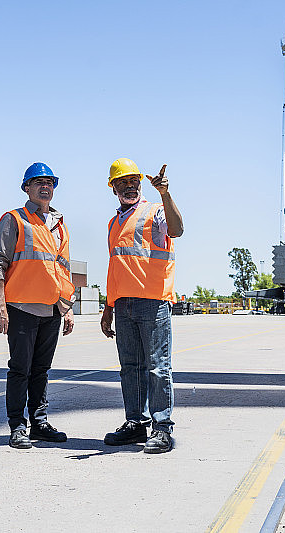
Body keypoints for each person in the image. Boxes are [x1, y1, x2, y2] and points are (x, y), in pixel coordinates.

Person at [0, 162, 75, 449]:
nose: (45, 186)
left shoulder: (59, 225)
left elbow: (62, 270)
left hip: (51, 309)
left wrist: (67, 307)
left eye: (50, 182)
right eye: (38, 181)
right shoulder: (15, 219)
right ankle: (17, 426)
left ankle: (39, 422)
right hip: (22, 308)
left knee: (41, 370)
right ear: (27, 187)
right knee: (20, 369)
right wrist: (0, 306)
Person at [100, 158, 184, 454]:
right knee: (130, 369)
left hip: (153, 302)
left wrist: (165, 193)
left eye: (133, 180)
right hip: (123, 305)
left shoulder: (155, 211)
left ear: (139, 183)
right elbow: (116, 267)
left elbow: (177, 230)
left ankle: (162, 428)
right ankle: (135, 423)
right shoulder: (114, 222)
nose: (128, 185)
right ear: (113, 188)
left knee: (158, 368)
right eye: (121, 181)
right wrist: (109, 306)